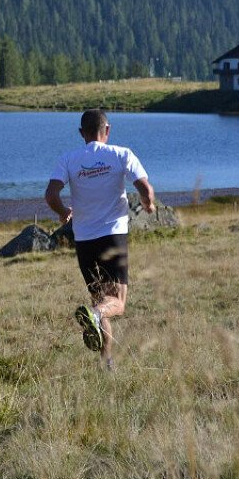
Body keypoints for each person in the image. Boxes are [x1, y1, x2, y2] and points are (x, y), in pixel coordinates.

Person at [44, 110, 155, 368]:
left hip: (84, 241)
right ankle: (93, 316)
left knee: (101, 300)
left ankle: (107, 363)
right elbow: (145, 188)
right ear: (107, 130)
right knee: (116, 303)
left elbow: (51, 195)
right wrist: (148, 205)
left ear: (82, 133)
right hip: (112, 237)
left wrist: (63, 213)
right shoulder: (121, 153)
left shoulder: (68, 159)